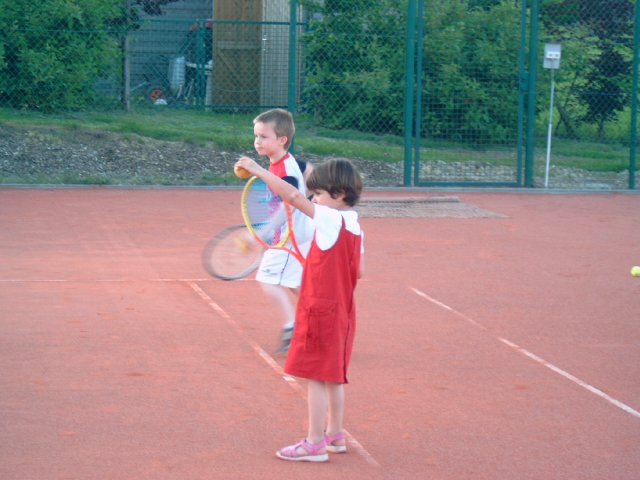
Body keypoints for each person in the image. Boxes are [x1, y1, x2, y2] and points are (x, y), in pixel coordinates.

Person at [235, 156, 364, 463]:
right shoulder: (356, 224)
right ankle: (335, 435)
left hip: (320, 307)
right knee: (333, 375)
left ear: (339, 195)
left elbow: (291, 196)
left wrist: (257, 169)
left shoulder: (329, 218)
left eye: (318, 193)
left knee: (315, 376)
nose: (313, 198)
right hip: (343, 309)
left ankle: (315, 443)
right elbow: (357, 270)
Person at [246, 109, 313, 354]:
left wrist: (265, 233)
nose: (257, 141)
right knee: (296, 283)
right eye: (256, 136)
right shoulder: (282, 161)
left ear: (282, 140)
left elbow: (289, 204)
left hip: (289, 237)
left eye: (264, 136)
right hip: (297, 233)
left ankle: (292, 325)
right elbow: (307, 168)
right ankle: (320, 320)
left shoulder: (283, 169)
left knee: (267, 278)